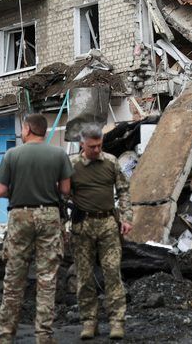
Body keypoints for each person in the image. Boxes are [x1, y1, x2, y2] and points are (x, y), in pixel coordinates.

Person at [0, 113, 73, 344]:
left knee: (14, 279)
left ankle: (5, 336)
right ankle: (44, 336)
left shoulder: (12, 154)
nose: (21, 131)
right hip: (49, 215)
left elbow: (0, 191)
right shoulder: (58, 154)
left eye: (22, 128)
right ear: (44, 131)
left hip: (19, 215)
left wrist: (19, 188)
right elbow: (66, 190)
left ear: (28, 129)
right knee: (47, 278)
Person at [70, 124, 133, 340]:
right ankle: (89, 322)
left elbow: (124, 190)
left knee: (112, 272)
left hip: (107, 224)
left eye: (99, 145)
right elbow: (62, 194)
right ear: (82, 144)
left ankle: (117, 321)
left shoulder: (111, 162)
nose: (97, 150)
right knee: (85, 276)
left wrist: (126, 218)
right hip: (83, 226)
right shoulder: (72, 165)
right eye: (92, 146)